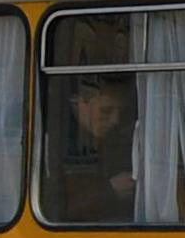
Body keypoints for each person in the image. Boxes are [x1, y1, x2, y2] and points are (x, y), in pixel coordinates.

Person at [53, 76, 138, 222]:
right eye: (106, 111)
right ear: (78, 104)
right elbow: (55, 209)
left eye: (121, 112)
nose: (115, 120)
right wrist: (111, 190)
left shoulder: (121, 138)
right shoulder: (54, 142)